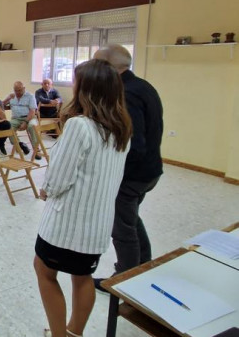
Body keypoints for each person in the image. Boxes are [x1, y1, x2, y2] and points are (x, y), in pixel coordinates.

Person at [34, 59, 132, 337]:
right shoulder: (121, 129)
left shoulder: (80, 125)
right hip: (98, 223)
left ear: (86, 89)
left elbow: (59, 176)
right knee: (82, 276)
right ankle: (75, 331)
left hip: (68, 223)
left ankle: (58, 334)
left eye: (76, 82)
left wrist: (46, 190)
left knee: (43, 270)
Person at [93, 44, 164, 288]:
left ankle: (125, 278)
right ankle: (143, 265)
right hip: (150, 171)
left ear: (109, 69)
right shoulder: (143, 86)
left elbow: (136, 143)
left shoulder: (125, 94)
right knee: (131, 220)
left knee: (122, 229)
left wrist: (111, 171)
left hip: (132, 176)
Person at [3, 81, 41, 159]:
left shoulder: (30, 96)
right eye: (15, 90)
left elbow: (32, 111)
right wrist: (8, 98)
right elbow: (1, 105)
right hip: (16, 119)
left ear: (24, 88)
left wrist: (25, 122)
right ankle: (20, 145)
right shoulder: (12, 96)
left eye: (19, 90)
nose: (17, 92)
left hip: (30, 118)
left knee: (32, 126)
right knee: (7, 127)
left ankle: (36, 150)